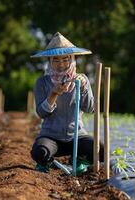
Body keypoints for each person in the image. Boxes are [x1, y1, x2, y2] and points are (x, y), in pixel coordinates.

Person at [30, 32, 104, 174]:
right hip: (51, 137)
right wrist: (54, 93)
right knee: (40, 151)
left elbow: (89, 108)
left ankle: (80, 159)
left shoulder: (81, 79)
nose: (61, 64)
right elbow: (41, 113)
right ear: (50, 61)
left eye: (65, 59)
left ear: (72, 59)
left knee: (100, 150)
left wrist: (82, 88)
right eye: (56, 60)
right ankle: (48, 162)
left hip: (77, 136)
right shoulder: (42, 83)